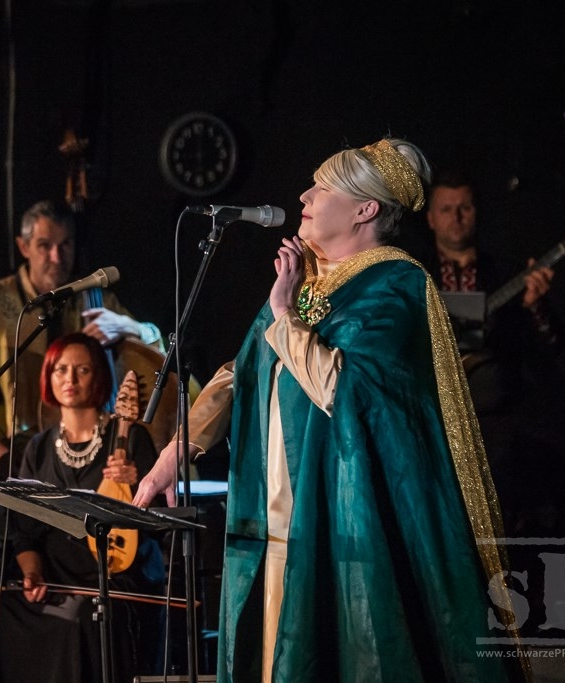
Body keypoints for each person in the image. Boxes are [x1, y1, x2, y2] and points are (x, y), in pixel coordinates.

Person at [132, 138, 529, 681]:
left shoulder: (396, 284)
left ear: (365, 210)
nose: (304, 196)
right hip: (275, 525)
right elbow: (240, 372)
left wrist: (284, 315)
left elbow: (348, 392)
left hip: (345, 528)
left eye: (321, 187)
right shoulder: (307, 282)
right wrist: (175, 453)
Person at [0, 332, 165, 682]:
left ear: (100, 377)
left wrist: (137, 483)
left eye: (83, 370)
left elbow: (157, 523)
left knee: (80, 619)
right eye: (60, 369)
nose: (70, 379)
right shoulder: (38, 448)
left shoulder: (130, 438)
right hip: (56, 576)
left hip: (114, 575)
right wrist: (33, 574)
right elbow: (25, 531)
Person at [0, 199, 163, 480]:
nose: (57, 257)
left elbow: (158, 355)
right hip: (13, 453)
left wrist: (131, 327)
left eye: (65, 245)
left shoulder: (95, 300)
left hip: (87, 456)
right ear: (24, 247)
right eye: (44, 245)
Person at [417, 170, 565, 537]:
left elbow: (551, 347)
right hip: (433, 413)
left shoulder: (504, 272)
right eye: (446, 209)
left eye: (465, 208)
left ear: (477, 212)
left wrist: (536, 306)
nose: (457, 217)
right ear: (431, 218)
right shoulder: (414, 274)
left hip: (497, 420)